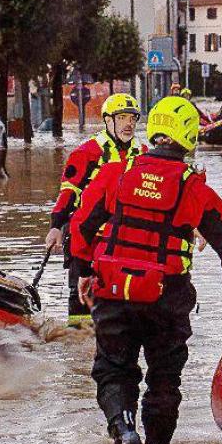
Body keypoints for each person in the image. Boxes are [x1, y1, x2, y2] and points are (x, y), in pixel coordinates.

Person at [69, 95, 222, 444]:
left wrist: (84, 272)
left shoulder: (117, 173)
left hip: (114, 292)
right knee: (164, 377)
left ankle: (124, 431)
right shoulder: (193, 188)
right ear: (188, 135)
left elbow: (80, 225)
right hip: (167, 295)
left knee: (114, 370)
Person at [46, 93, 145, 327]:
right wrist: (55, 227)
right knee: (81, 297)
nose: (128, 124)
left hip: (120, 238)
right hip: (85, 234)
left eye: (132, 118)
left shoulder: (142, 152)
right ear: (108, 120)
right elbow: (68, 193)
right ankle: (78, 342)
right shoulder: (87, 152)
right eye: (122, 118)